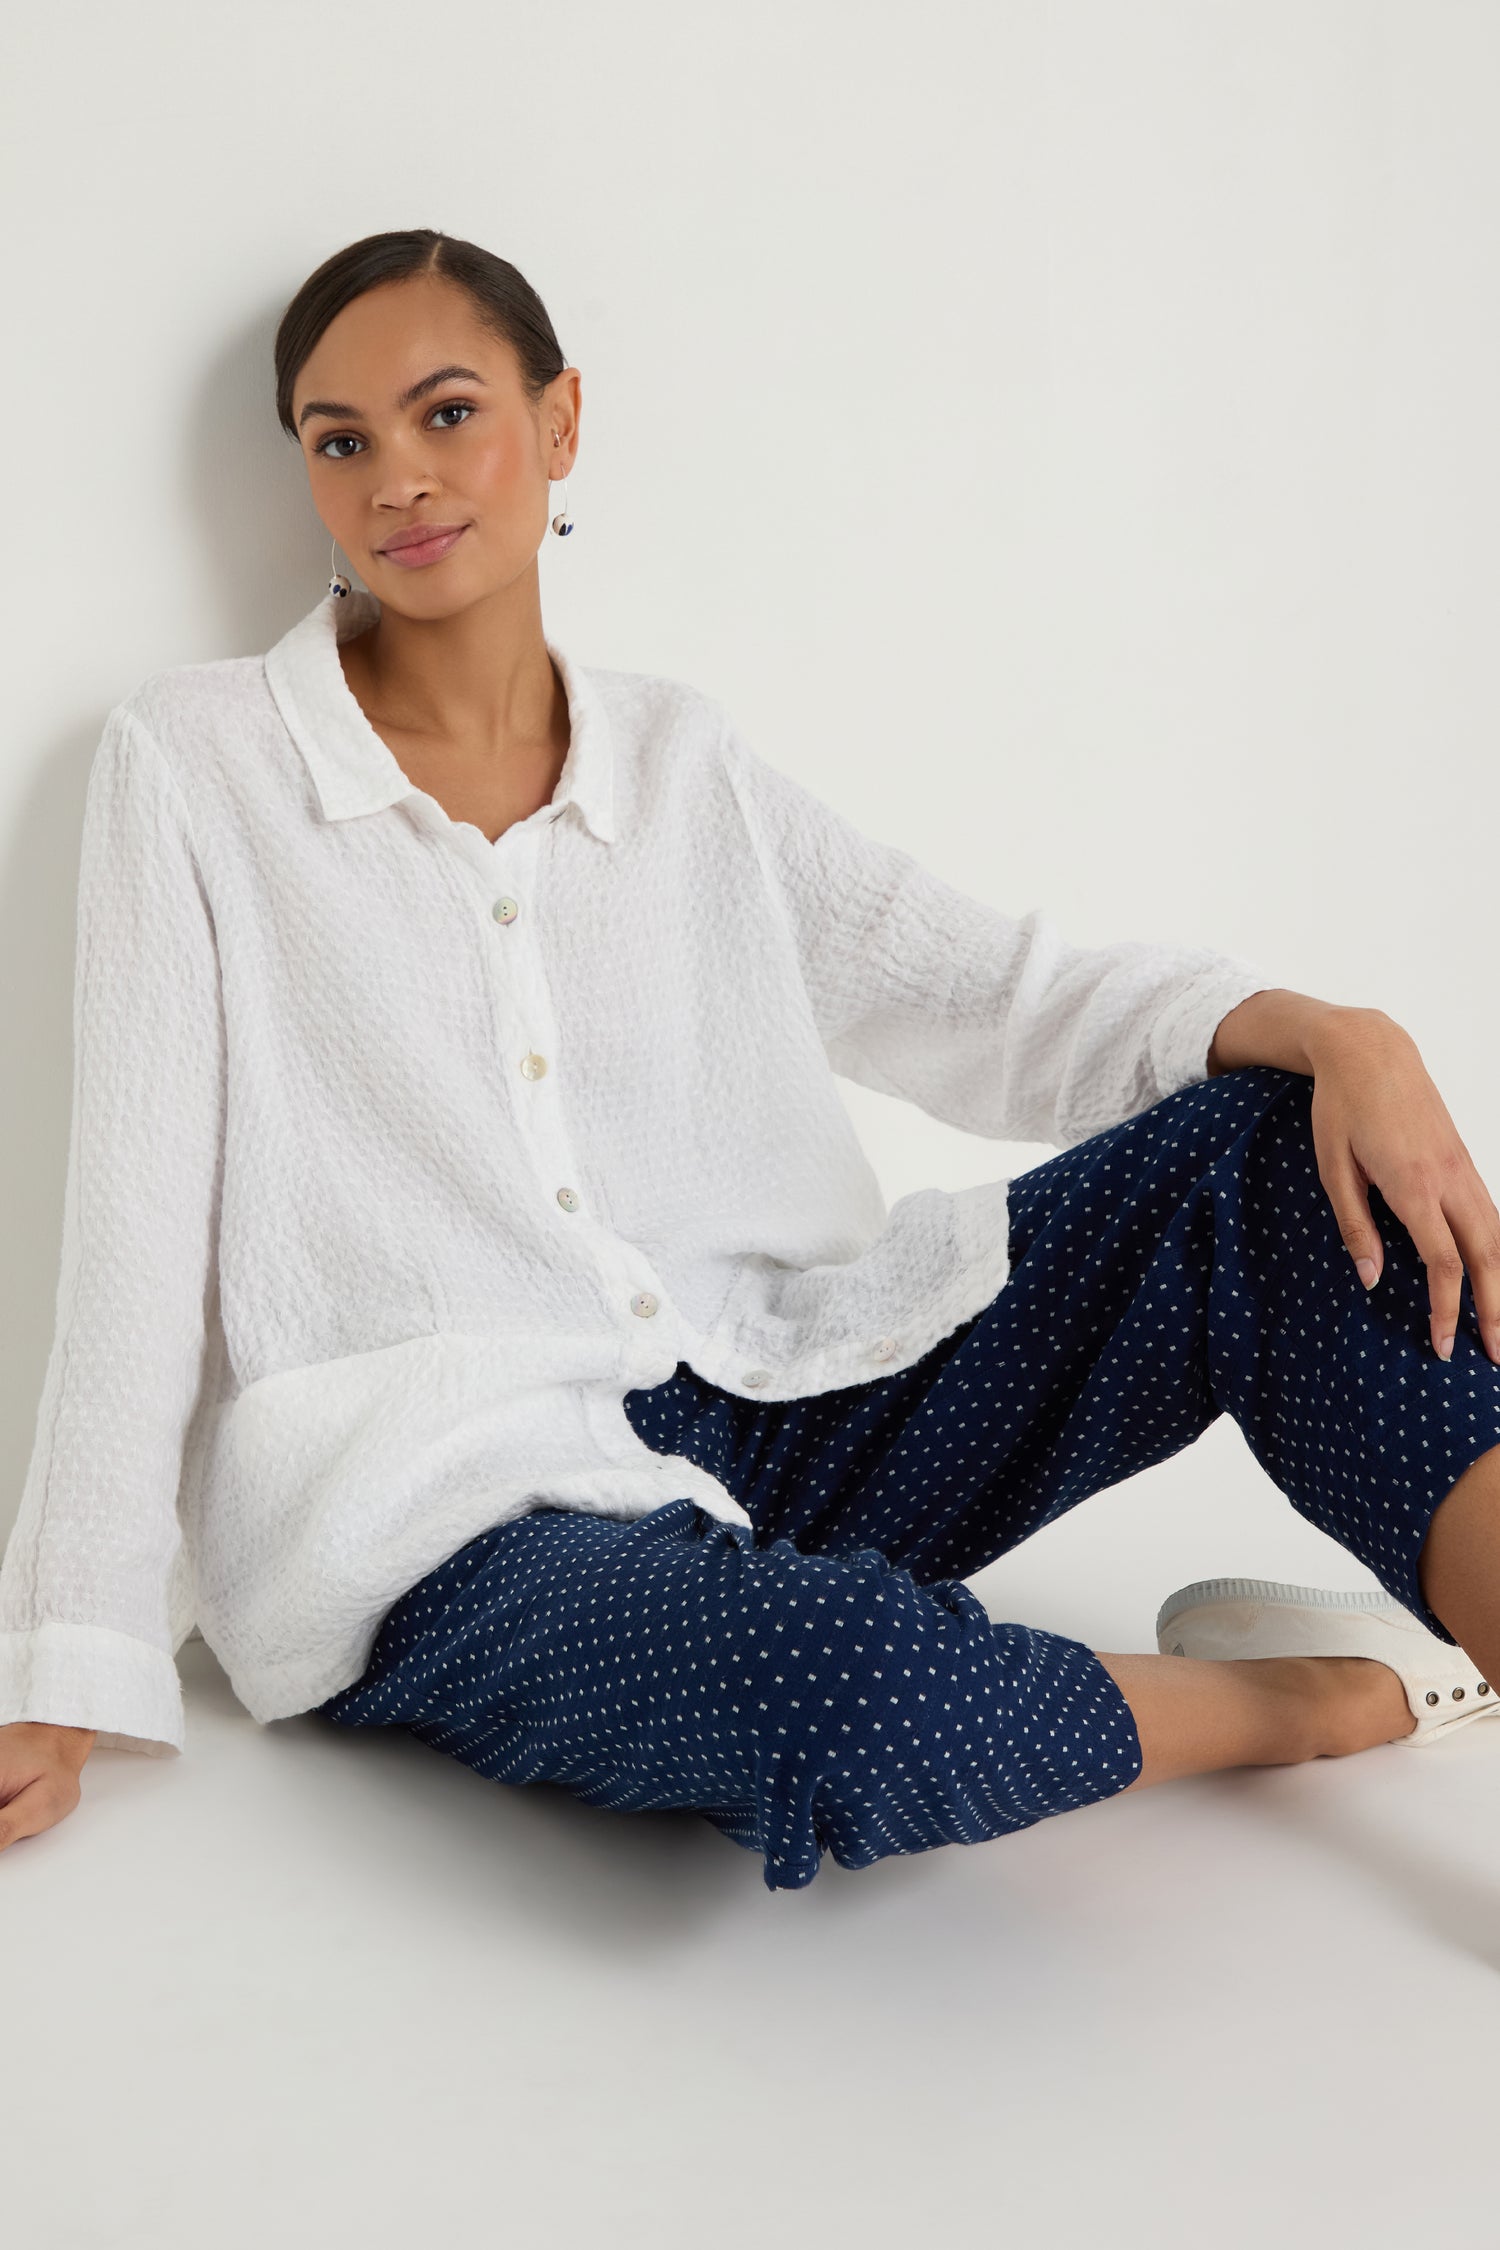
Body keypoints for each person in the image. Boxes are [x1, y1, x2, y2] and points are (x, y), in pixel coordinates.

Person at [5, 228, 1500, 1890]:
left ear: (561, 422)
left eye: (448, 413)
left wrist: (1340, 1033)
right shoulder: (196, 764)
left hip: (780, 1402)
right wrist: (68, 1664)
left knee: (1278, 1145)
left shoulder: (679, 762)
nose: (397, 478)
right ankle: (1327, 1698)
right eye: (340, 439)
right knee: (840, 1691)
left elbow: (985, 998)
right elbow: (135, 1237)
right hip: (456, 1522)